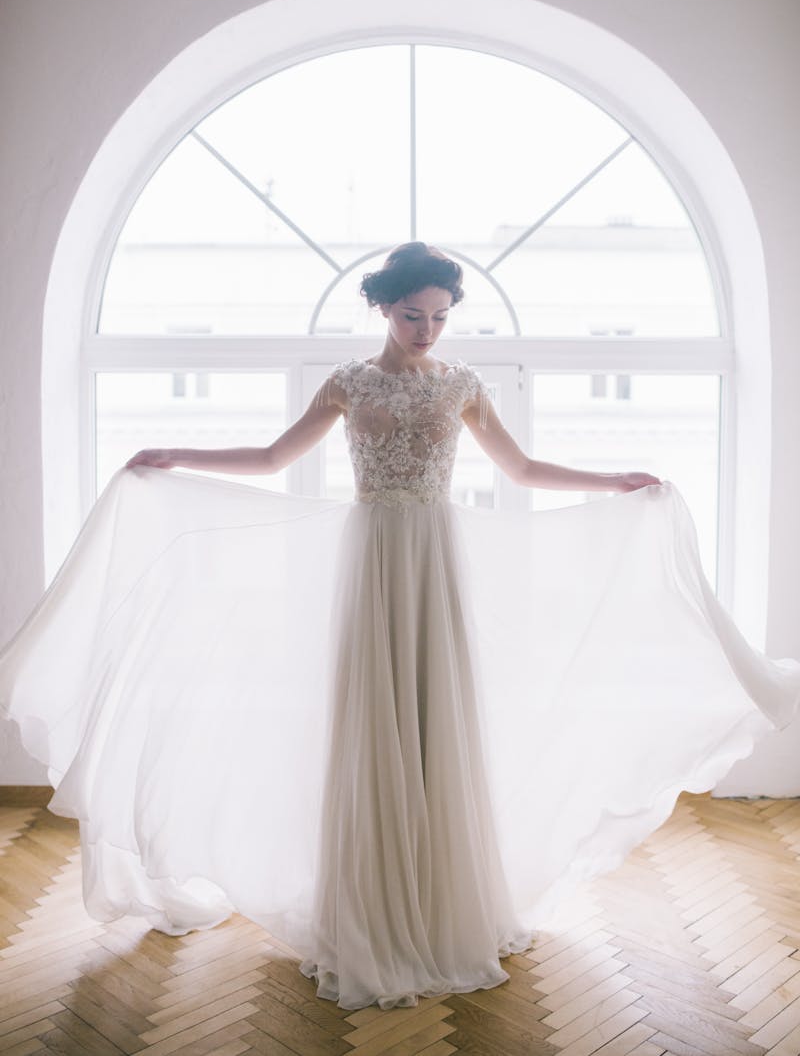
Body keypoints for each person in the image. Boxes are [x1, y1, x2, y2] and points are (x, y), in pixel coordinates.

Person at [2, 242, 799, 1013]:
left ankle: (443, 904)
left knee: (436, 719)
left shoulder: (460, 384)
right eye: (414, 314)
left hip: (434, 559)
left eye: (441, 317)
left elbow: (519, 469)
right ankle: (376, 909)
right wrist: (177, 452)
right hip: (374, 559)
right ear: (383, 307)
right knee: (376, 723)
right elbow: (276, 457)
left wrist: (611, 479)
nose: (427, 330)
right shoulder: (348, 383)